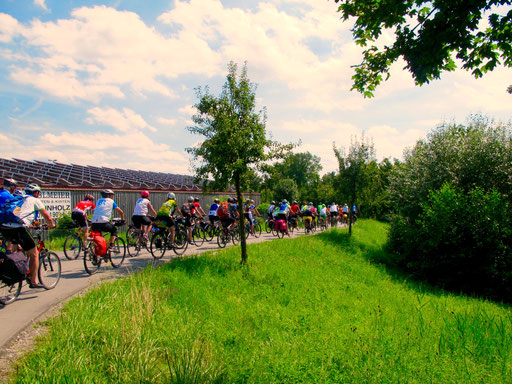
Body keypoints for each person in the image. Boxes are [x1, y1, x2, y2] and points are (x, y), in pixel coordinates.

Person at [0, 184, 55, 288]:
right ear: (36, 193)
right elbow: (47, 216)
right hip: (19, 228)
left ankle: (16, 269)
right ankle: (34, 281)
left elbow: (16, 214)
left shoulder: (19, 198)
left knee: (16, 249)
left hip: (5, 227)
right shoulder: (35, 200)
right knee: (34, 254)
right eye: (38, 192)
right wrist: (51, 225)